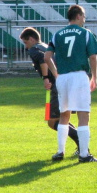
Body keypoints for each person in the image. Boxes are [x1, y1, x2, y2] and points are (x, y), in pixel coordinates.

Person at [45, 4, 97, 163]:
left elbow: (47, 56)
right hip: (78, 76)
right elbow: (92, 57)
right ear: (78, 16)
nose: (84, 19)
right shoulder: (85, 33)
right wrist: (94, 77)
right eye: (83, 16)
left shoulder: (57, 34)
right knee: (84, 115)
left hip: (62, 78)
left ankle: (60, 152)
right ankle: (84, 155)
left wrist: (56, 73)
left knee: (64, 115)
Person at [19, 27, 80, 158]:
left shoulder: (35, 49)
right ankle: (81, 142)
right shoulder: (45, 46)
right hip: (65, 82)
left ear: (31, 39)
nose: (26, 46)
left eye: (25, 42)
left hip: (57, 85)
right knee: (63, 118)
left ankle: (81, 141)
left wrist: (46, 78)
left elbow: (43, 60)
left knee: (53, 121)